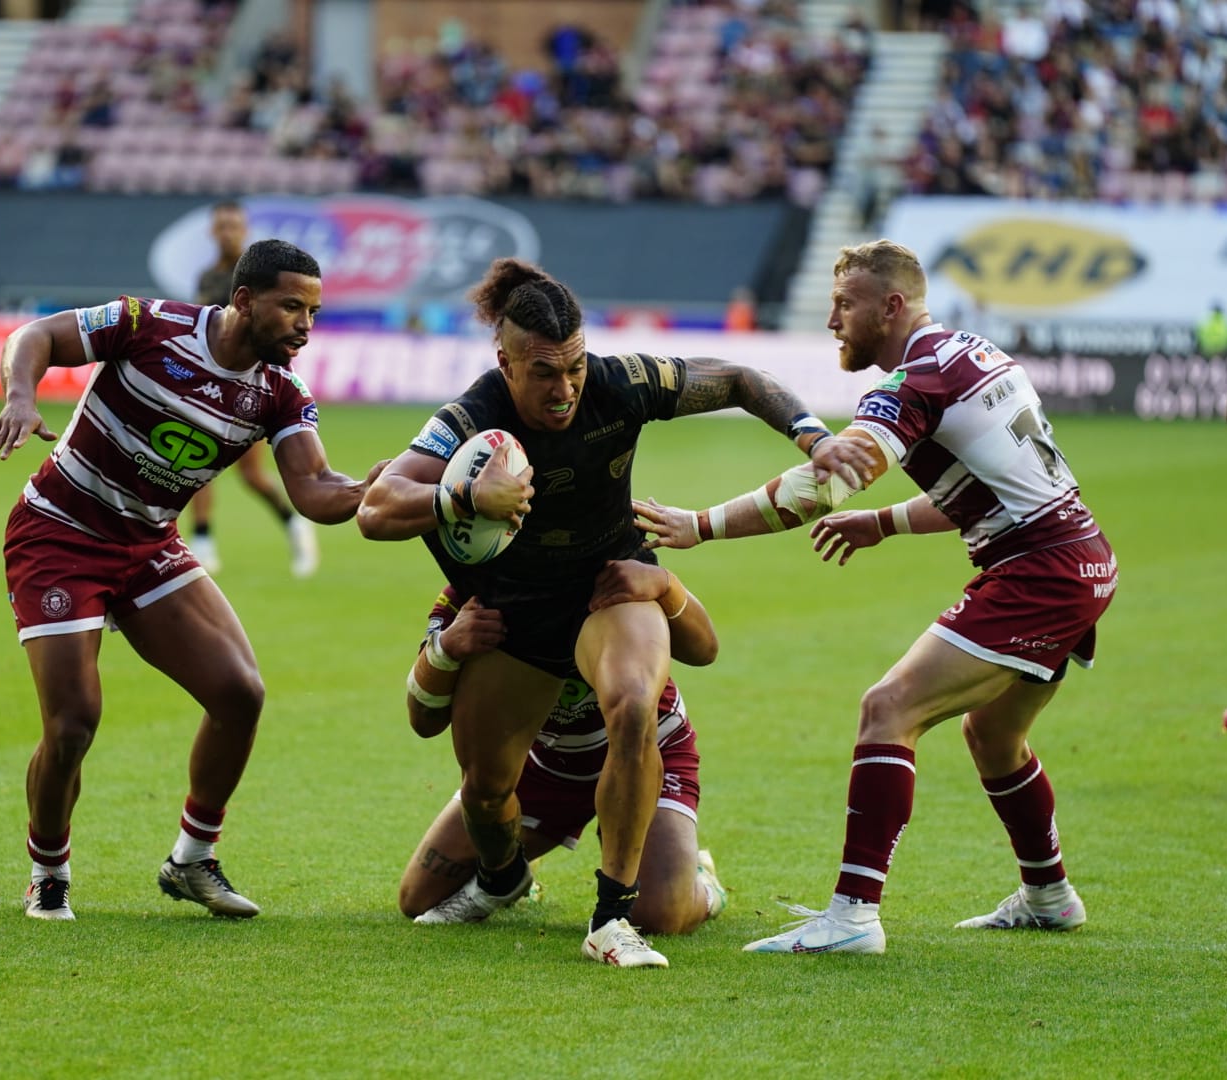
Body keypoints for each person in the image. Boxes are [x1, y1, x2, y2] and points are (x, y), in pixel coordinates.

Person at [356, 257, 874, 968]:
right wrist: (465, 495)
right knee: (461, 828)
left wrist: (816, 438)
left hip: (610, 591)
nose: (565, 388)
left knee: (633, 708)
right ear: (504, 362)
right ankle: (507, 879)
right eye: (543, 372)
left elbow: (738, 378)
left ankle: (612, 919)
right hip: (521, 625)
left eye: (574, 366)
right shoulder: (470, 416)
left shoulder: (621, 381)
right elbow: (376, 509)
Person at [634, 239, 1118, 955]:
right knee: (992, 736)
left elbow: (823, 484)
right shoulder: (973, 354)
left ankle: (853, 917)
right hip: (1080, 558)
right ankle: (1050, 896)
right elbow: (981, 490)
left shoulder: (914, 381)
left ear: (891, 307)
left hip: (1039, 572)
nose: (833, 320)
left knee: (888, 709)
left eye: (845, 305)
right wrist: (883, 522)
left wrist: (699, 525)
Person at [0, 239, 381, 922]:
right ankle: (48, 872)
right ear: (244, 300)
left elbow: (315, 488)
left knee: (240, 693)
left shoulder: (281, 394)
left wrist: (381, 487)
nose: (305, 325)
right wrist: (22, 396)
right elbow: (35, 336)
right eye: (292, 307)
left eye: (313, 312)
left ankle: (193, 860)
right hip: (60, 532)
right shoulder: (148, 325)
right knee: (73, 724)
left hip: (146, 546)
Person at [398, 559, 728, 936]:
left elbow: (706, 649)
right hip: (544, 765)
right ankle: (518, 869)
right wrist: (445, 649)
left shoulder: (611, 568)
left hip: (646, 752)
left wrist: (666, 585)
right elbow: (423, 721)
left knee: (659, 916)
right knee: (418, 897)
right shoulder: (473, 588)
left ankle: (703, 884)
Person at [185, 201, 319, 577]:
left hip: (252, 384)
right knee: (194, 460)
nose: (228, 233)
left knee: (252, 475)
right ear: (213, 232)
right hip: (210, 384)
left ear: (244, 230)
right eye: (222, 226)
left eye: (234, 226)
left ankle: (293, 524)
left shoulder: (264, 276)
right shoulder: (208, 278)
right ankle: (202, 542)